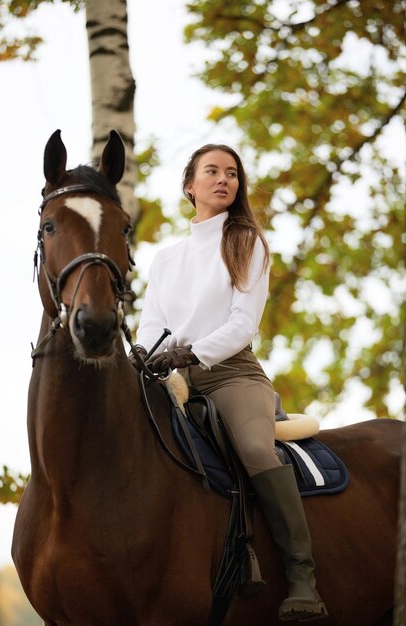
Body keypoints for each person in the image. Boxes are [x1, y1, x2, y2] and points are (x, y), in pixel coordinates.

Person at [131, 144, 328, 622]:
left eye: (233, 174)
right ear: (189, 186)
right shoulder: (165, 260)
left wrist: (191, 352)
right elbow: (152, 326)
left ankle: (303, 577)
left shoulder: (247, 243)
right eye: (212, 172)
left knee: (257, 452)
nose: (224, 180)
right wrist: (141, 356)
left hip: (233, 373)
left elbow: (242, 324)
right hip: (175, 379)